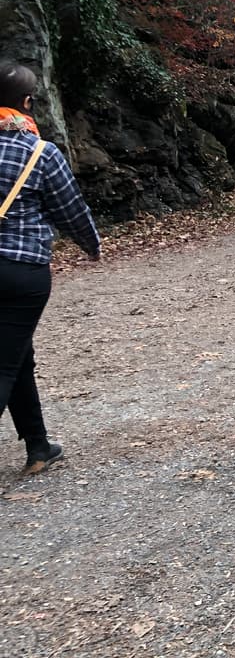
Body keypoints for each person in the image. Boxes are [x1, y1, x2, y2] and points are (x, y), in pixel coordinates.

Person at [0, 62, 100, 474]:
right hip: (22, 270)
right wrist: (91, 244)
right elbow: (70, 209)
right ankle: (38, 448)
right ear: (26, 103)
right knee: (5, 361)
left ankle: (39, 447)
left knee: (16, 354)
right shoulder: (40, 153)